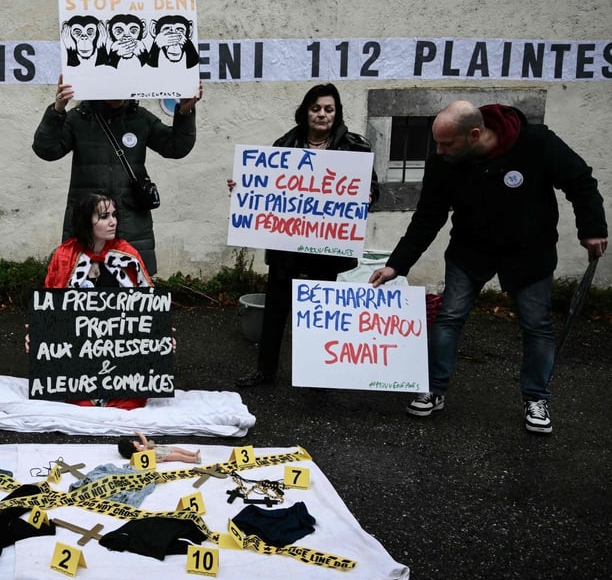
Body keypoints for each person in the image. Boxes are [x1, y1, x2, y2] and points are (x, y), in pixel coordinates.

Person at [368, 100, 608, 434]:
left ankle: (536, 399)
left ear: (475, 134)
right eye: (436, 142)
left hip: (529, 253)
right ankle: (434, 390)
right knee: (450, 317)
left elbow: (580, 181)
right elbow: (428, 218)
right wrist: (396, 265)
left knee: (537, 325)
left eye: (446, 143)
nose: (438, 150)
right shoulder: (444, 161)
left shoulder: (536, 143)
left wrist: (593, 228)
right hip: (470, 252)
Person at [232, 83, 380, 387]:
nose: (322, 115)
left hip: (327, 247)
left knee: (321, 312)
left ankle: (318, 374)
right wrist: (244, 187)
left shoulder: (355, 148)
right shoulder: (284, 144)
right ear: (306, 111)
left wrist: (367, 195)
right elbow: (266, 187)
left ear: (336, 113)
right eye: (316, 108)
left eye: (328, 109)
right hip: (287, 246)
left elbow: (373, 188)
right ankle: (265, 371)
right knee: (276, 309)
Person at [32, 75, 203, 275]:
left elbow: (176, 147)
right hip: (88, 224)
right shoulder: (78, 119)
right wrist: (57, 110)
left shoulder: (141, 118)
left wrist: (185, 111)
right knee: (86, 291)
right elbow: (46, 150)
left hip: (132, 226)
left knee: (132, 294)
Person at [41, 192, 154, 409]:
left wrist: (161, 335)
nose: (113, 221)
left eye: (114, 215)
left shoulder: (127, 254)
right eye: (104, 217)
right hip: (79, 349)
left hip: (121, 348)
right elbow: (51, 305)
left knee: (131, 400)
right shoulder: (65, 255)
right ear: (86, 221)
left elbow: (148, 305)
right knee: (80, 400)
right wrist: (39, 334)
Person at [117, 430, 200, 464]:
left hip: (163, 448)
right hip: (163, 455)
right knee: (179, 456)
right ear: (133, 448)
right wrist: (160, 460)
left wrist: (140, 434)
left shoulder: (143, 448)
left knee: (178, 449)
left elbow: (145, 441)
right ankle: (194, 459)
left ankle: (193, 454)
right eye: (132, 442)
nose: (134, 441)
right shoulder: (142, 453)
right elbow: (152, 460)